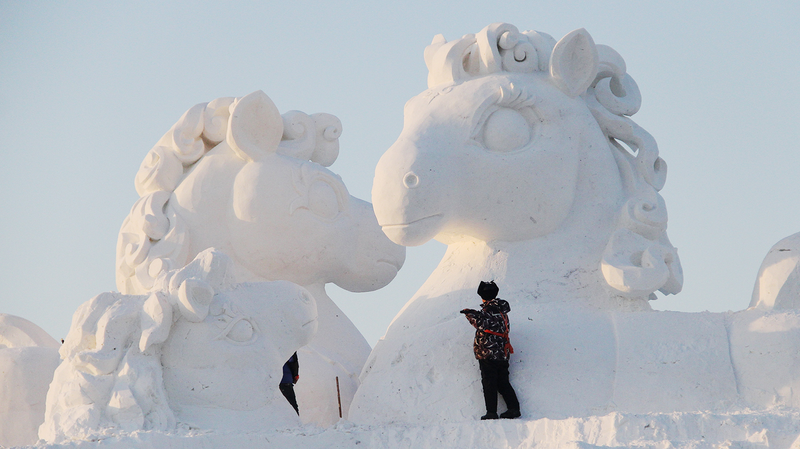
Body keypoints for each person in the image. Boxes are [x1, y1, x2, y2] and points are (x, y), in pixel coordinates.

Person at [460, 281, 521, 420]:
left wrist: (469, 314)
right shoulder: (502, 311)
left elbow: (482, 323)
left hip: (488, 352)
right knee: (503, 382)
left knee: (489, 383)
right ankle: (513, 408)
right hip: (502, 352)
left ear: (483, 296)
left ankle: (491, 412)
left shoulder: (488, 311)